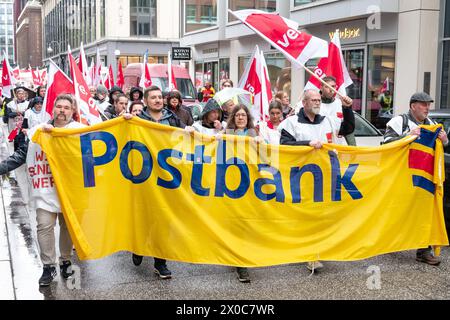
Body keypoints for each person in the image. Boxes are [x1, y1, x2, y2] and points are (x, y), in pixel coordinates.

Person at [0, 94, 85, 286]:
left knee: (67, 227)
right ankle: (48, 266)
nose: (62, 110)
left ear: (72, 111)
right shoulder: (38, 131)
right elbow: (22, 154)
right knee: (44, 226)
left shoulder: (81, 131)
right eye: (59, 106)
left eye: (66, 107)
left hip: (70, 190)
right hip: (45, 188)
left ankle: (65, 261)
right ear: (52, 109)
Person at [278, 89, 354, 272]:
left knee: (322, 215)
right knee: (304, 216)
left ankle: (316, 251)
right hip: (302, 177)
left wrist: (347, 109)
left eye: (319, 100)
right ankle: (308, 253)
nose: (318, 103)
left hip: (326, 175)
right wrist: (306, 144)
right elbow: (284, 145)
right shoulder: (291, 123)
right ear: (304, 103)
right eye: (313, 100)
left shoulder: (327, 120)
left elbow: (348, 129)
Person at [383, 92, 448, 266]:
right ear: (413, 106)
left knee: (424, 213)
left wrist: (445, 140)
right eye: (424, 104)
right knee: (399, 211)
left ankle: (423, 251)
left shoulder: (433, 124)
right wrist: (408, 136)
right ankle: (390, 241)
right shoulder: (400, 121)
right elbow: (386, 143)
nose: (427, 108)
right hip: (402, 175)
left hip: (423, 176)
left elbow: (441, 146)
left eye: (428, 104)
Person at [131, 85, 185, 279]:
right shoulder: (137, 120)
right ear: (145, 101)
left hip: (166, 174)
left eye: (159, 97)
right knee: (144, 215)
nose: (157, 100)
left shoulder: (172, 119)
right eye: (153, 97)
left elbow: (184, 140)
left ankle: (160, 262)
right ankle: (138, 246)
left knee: (163, 218)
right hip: (143, 174)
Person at [319, 76, 357, 145]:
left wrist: (347, 108)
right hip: (319, 149)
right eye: (327, 86)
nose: (331, 89)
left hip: (337, 149)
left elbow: (348, 130)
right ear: (321, 88)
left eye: (333, 86)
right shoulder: (314, 104)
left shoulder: (341, 104)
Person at [4, 87, 29, 151]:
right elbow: (8, 115)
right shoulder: (10, 104)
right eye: (19, 93)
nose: (21, 95)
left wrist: (23, 113)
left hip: (23, 127)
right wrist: (16, 113)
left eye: (23, 94)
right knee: (16, 142)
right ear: (16, 94)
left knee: (23, 142)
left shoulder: (28, 104)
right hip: (14, 127)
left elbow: (28, 114)